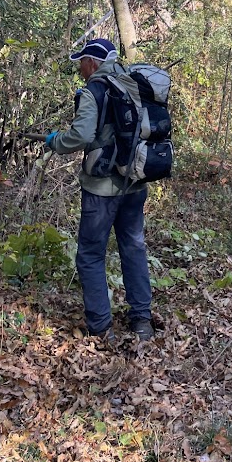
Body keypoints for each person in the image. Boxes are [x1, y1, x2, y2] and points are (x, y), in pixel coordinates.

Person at [44, 38, 154, 344]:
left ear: (92, 62)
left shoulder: (94, 90)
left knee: (91, 255)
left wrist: (55, 141)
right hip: (135, 181)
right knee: (133, 247)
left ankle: (102, 328)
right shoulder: (133, 81)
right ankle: (142, 320)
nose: (80, 69)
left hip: (102, 189)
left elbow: (81, 135)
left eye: (81, 62)